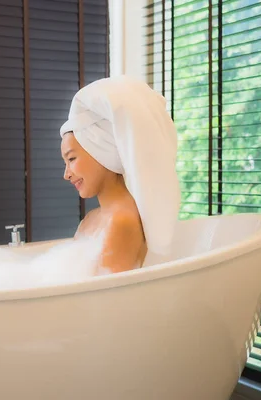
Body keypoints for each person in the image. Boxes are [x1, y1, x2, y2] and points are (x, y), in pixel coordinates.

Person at [59, 75, 181, 274]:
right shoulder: (93, 218)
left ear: (100, 150)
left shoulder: (121, 221)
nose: (66, 174)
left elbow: (106, 301)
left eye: (71, 159)